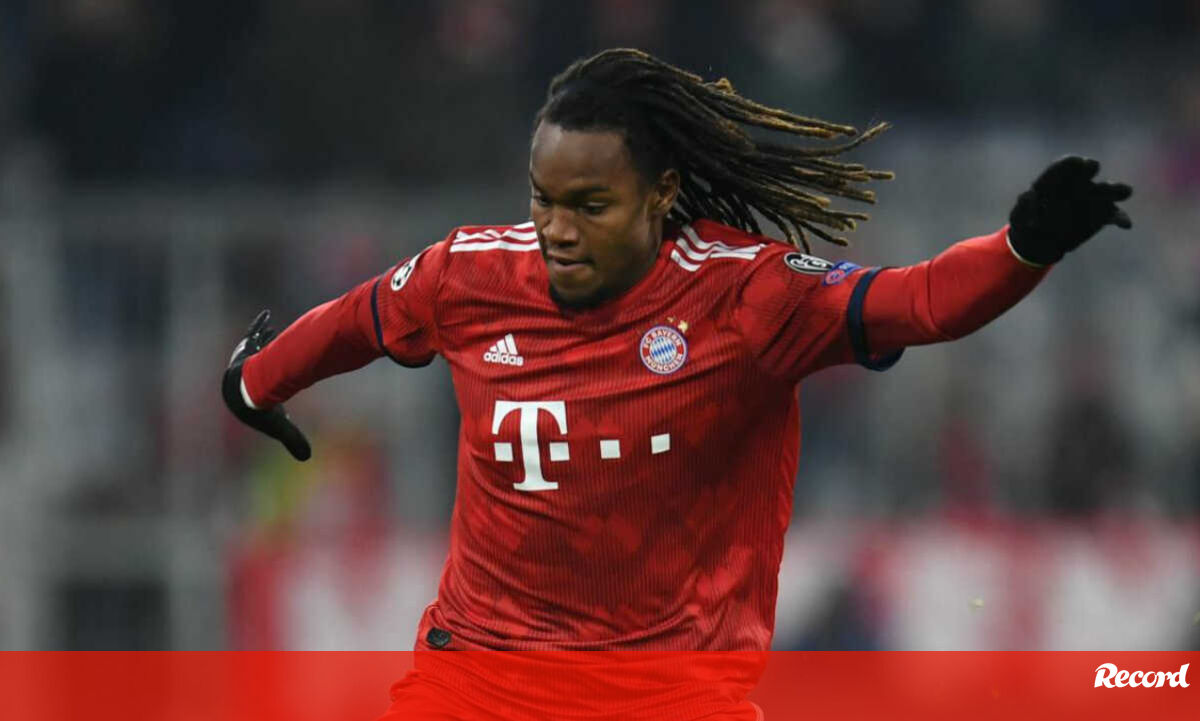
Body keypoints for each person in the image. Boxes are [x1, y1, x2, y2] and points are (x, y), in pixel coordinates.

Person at [221, 49, 1132, 720]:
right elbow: (356, 320)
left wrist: (1023, 248)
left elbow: (922, 301)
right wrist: (254, 386)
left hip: (669, 694)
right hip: (478, 682)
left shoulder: (746, 298)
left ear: (660, 195)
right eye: (544, 199)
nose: (558, 229)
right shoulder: (469, 275)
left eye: (590, 205)